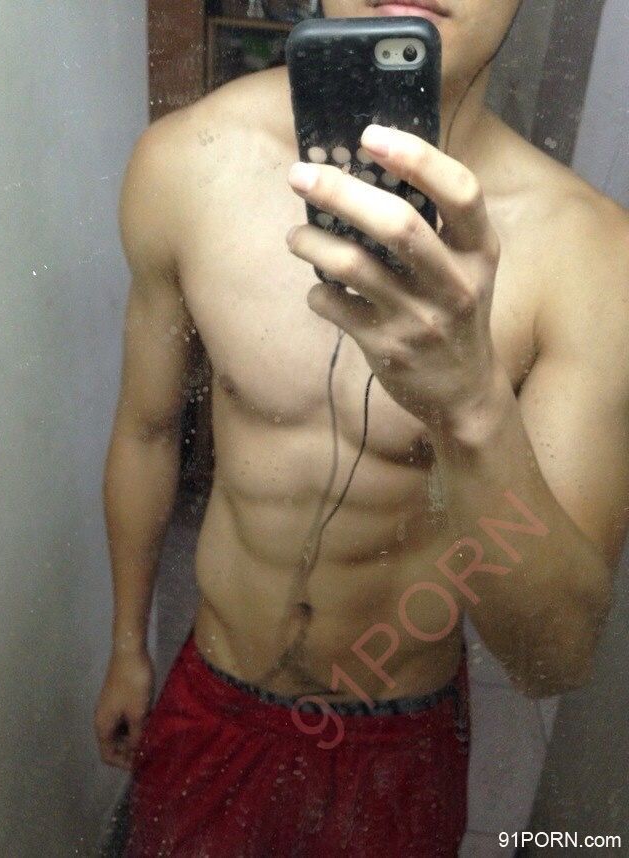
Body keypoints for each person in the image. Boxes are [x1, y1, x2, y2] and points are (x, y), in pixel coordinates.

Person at [94, 0, 629, 854]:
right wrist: (128, 644)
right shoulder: (187, 162)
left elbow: (555, 658)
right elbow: (146, 431)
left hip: (398, 733)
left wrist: (472, 408)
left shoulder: (592, 253)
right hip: (215, 690)